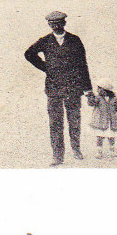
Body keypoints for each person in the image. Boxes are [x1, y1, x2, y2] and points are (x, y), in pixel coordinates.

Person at [24, 11, 94, 166]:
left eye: (59, 23)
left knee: (74, 120)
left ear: (64, 23)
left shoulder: (75, 40)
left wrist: (88, 90)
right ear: (49, 25)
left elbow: (83, 65)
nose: (56, 26)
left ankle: (76, 148)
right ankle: (57, 155)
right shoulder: (45, 41)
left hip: (73, 87)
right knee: (55, 122)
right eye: (52, 24)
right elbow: (29, 54)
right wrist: (46, 67)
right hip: (54, 88)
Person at [87, 79, 117, 159]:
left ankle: (112, 150)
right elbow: (91, 103)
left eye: (99, 88)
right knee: (100, 137)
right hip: (101, 122)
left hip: (111, 123)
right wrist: (90, 97)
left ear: (105, 90)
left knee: (111, 137)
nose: (97, 90)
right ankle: (99, 152)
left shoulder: (114, 99)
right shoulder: (98, 98)